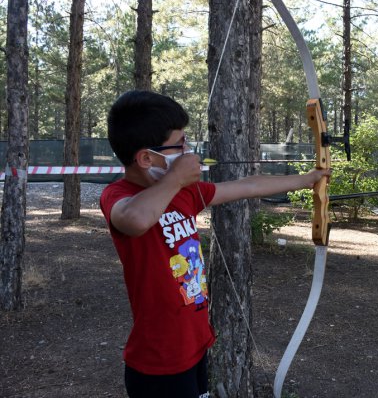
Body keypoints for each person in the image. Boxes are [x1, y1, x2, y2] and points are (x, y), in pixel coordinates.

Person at [100, 90, 328, 398]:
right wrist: (175, 178)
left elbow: (247, 185)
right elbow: (136, 219)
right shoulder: (119, 195)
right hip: (158, 362)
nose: (189, 151)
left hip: (194, 345)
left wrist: (307, 179)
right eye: (180, 145)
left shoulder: (185, 193)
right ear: (146, 158)